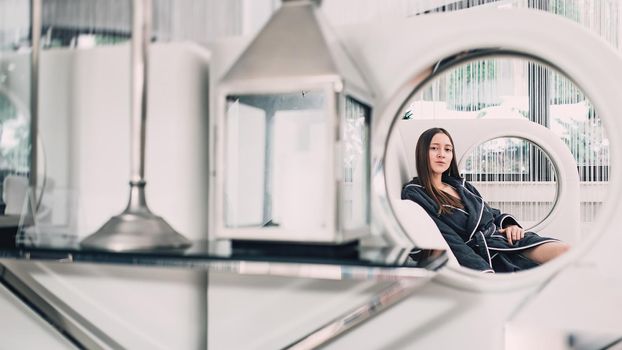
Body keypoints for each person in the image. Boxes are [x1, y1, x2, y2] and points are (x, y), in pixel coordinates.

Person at [401, 127, 570, 273]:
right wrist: (481, 270)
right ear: (423, 152)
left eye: (447, 149)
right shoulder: (416, 193)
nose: (441, 155)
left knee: (566, 252)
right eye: (434, 148)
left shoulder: (461, 185)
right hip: (485, 252)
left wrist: (509, 225)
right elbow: (449, 239)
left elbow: (490, 213)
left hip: (505, 238)